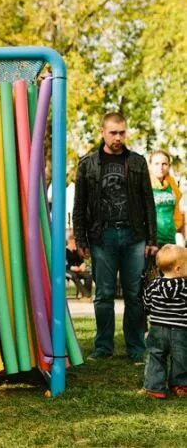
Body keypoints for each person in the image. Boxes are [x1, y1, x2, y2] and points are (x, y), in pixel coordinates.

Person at [73, 112, 158, 363]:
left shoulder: (138, 162)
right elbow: (80, 205)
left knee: (134, 294)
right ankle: (103, 347)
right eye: (113, 132)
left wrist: (152, 240)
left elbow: (147, 202)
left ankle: (136, 348)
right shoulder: (87, 164)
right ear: (102, 132)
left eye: (122, 132)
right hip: (102, 236)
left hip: (134, 236)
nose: (118, 138)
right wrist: (80, 240)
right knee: (104, 294)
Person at [139, 244, 187, 399]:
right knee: (181, 357)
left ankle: (154, 387)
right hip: (181, 329)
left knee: (155, 355)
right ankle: (181, 385)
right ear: (178, 269)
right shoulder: (185, 287)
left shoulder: (153, 285)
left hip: (157, 328)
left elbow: (146, 303)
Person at [149, 149, 184, 247]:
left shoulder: (172, 185)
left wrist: (176, 228)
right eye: (156, 164)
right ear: (150, 166)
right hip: (151, 240)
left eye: (164, 164)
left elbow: (177, 211)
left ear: (169, 166)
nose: (160, 167)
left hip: (170, 238)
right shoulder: (144, 185)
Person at [66, 230, 92, 299]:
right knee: (74, 276)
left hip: (78, 270)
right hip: (67, 270)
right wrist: (72, 268)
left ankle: (85, 296)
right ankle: (87, 295)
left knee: (88, 276)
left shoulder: (76, 251)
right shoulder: (64, 251)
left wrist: (83, 265)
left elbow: (81, 261)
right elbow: (64, 264)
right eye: (75, 241)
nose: (76, 243)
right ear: (70, 241)